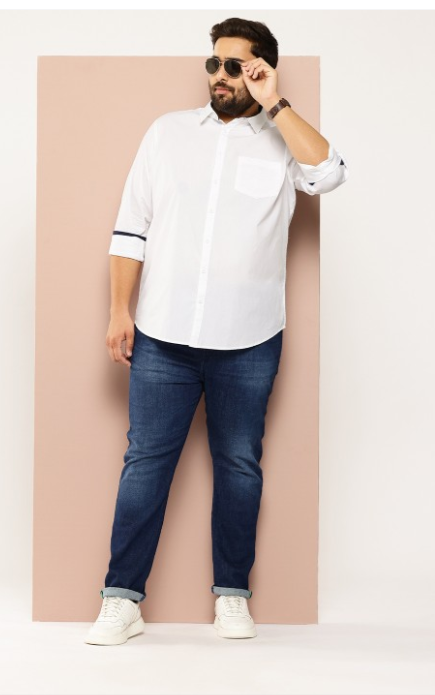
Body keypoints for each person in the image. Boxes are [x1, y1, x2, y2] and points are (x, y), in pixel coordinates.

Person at [85, 16, 349, 647]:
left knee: (239, 466)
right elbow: (131, 226)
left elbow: (329, 173)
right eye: (215, 63)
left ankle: (232, 595)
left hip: (249, 339)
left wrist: (275, 103)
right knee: (145, 465)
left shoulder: (283, 139)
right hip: (163, 335)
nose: (221, 76)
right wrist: (120, 310)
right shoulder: (167, 133)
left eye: (237, 65)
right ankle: (121, 600)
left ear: (261, 69)